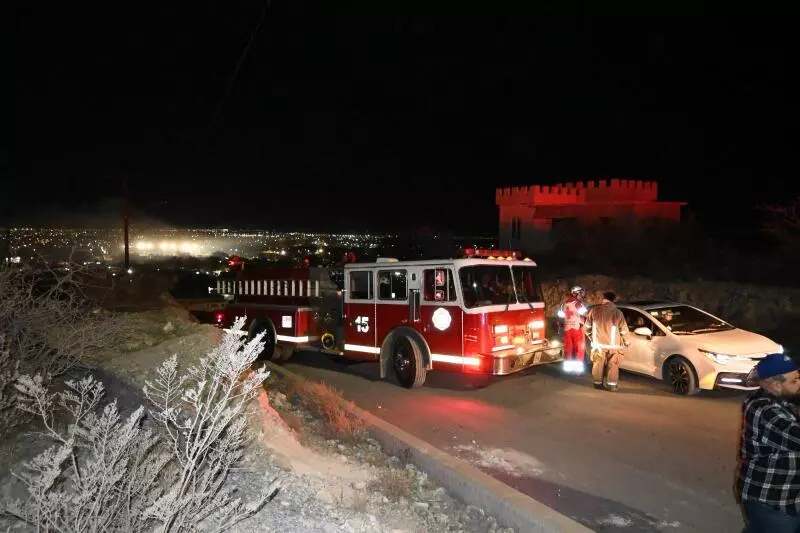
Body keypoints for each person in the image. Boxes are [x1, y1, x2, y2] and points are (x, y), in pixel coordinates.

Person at [736, 353, 800, 533]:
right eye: (794, 381)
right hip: (770, 499)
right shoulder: (763, 409)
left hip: (790, 495)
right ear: (776, 385)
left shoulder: (784, 399)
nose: (799, 384)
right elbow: (795, 436)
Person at [584, 291, 629, 391]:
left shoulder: (594, 311)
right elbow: (624, 330)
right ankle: (612, 385)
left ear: (603, 298)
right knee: (613, 365)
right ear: (613, 300)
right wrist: (627, 342)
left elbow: (587, 328)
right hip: (613, 346)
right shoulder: (617, 313)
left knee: (598, 363)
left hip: (598, 345)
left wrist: (592, 337)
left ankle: (597, 384)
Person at [557, 285, 588, 374]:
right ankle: (577, 371)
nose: (581, 296)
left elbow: (560, 318)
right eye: (580, 294)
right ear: (576, 294)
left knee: (568, 349)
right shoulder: (578, 304)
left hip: (567, 330)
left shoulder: (564, 304)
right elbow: (585, 315)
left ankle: (568, 369)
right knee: (579, 349)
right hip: (577, 329)